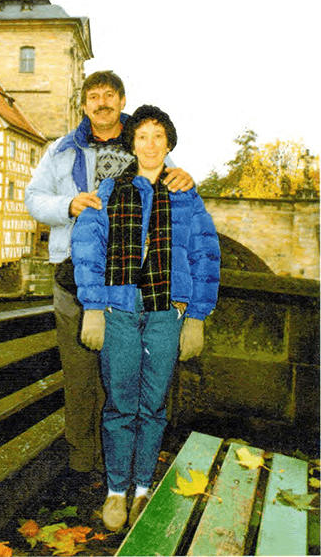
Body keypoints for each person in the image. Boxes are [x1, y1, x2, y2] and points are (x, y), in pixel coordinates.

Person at [25, 72, 194, 488]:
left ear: (122, 100)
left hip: (129, 284)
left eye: (109, 96)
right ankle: (83, 466)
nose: (101, 103)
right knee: (80, 376)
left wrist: (186, 180)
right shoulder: (61, 151)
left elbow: (174, 199)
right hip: (72, 276)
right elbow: (33, 198)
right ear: (84, 104)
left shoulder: (145, 142)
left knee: (127, 376)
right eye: (93, 96)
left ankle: (122, 469)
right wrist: (68, 204)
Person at [71, 105, 220, 531]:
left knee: (153, 406)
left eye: (158, 136)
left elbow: (205, 255)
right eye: (142, 136)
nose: (150, 144)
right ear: (132, 144)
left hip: (164, 314)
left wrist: (196, 318)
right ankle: (116, 491)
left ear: (168, 144)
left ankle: (141, 489)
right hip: (119, 311)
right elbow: (88, 248)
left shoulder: (185, 195)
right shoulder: (110, 189)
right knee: (119, 405)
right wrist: (94, 309)